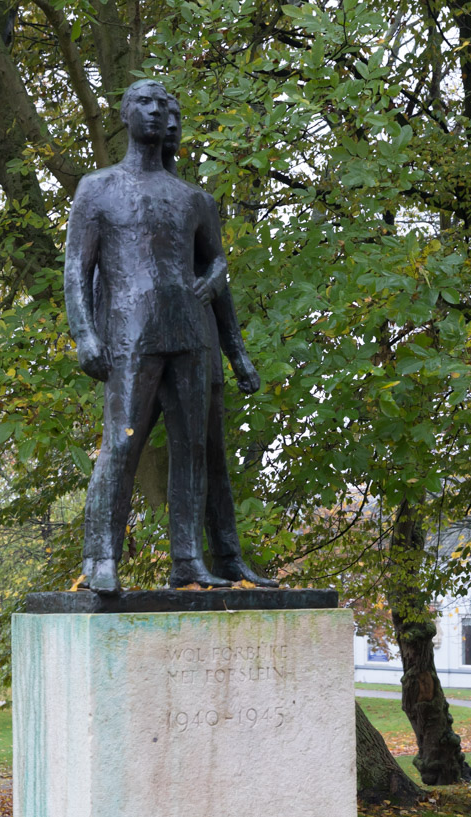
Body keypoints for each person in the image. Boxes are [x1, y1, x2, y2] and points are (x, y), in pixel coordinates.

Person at [64, 79, 229, 594]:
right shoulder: (98, 188)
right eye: (143, 102)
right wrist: (85, 334)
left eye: (162, 104)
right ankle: (99, 558)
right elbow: (75, 267)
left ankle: (188, 560)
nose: (155, 112)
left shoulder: (193, 198)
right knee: (121, 444)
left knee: (193, 449)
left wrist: (215, 275)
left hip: (188, 333)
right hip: (129, 336)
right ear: (124, 112)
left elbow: (214, 258)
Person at [159, 94, 277, 588]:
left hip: (199, 340)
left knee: (210, 453)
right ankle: (175, 559)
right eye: (160, 119)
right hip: (140, 342)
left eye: (176, 121)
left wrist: (238, 355)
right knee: (146, 449)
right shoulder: (110, 193)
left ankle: (226, 556)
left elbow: (218, 279)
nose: (170, 128)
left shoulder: (196, 201)